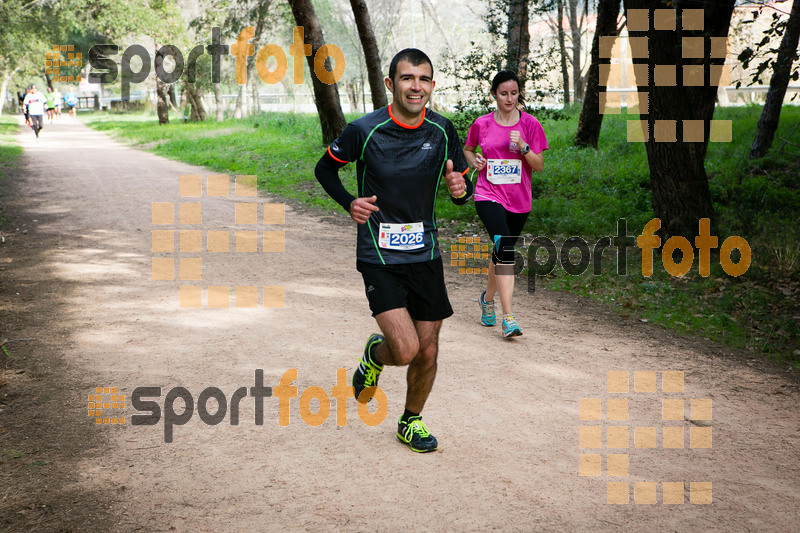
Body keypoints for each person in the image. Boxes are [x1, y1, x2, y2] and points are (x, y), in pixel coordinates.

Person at [315, 48, 473, 453]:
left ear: (432, 86)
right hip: (380, 256)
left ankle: (410, 421)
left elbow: (460, 182)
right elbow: (324, 168)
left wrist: (462, 190)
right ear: (390, 84)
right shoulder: (363, 130)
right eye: (407, 78)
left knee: (430, 349)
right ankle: (374, 355)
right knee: (404, 350)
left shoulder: (442, 131)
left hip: (425, 254)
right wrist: (349, 200)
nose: (415, 86)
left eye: (423, 79)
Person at [463, 70, 548, 338]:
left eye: (513, 93)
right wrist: (473, 160)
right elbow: (468, 149)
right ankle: (508, 317)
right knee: (505, 249)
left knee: (501, 251)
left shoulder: (531, 125)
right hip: (488, 194)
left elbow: (539, 165)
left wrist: (524, 147)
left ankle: (486, 299)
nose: (509, 98)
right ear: (494, 95)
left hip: (519, 200)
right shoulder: (482, 124)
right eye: (503, 93)